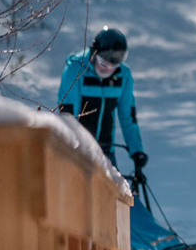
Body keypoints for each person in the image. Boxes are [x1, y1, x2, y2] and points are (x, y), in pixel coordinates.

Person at [57, 26, 147, 174]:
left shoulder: (124, 76)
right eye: (106, 60)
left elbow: (127, 117)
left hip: (106, 152)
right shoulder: (76, 69)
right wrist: (74, 145)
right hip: (78, 149)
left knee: (118, 195)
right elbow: (69, 113)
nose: (110, 65)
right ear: (95, 53)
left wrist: (136, 150)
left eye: (117, 60)